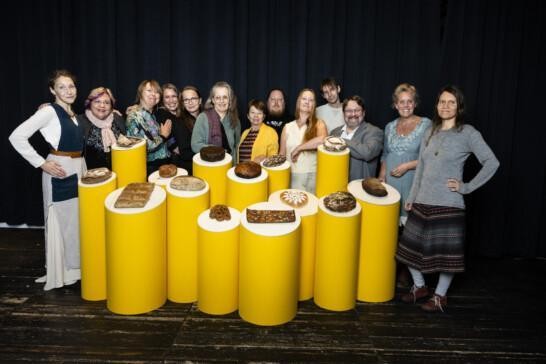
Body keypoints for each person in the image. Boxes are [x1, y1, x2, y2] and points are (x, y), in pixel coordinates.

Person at [396, 85, 499, 312]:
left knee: (447, 256)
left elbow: (492, 162)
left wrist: (466, 187)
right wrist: (412, 196)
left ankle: (440, 296)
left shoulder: (468, 133)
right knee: (407, 249)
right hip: (422, 200)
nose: (445, 106)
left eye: (451, 102)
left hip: (448, 203)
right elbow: (421, 166)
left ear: (459, 106)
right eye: (442, 102)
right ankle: (420, 287)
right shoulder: (430, 131)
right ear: (436, 105)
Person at [9, 69, 85, 290]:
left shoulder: (73, 114)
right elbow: (17, 136)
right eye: (62, 87)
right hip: (59, 171)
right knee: (60, 221)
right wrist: (41, 163)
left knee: (74, 223)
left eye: (71, 86)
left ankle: (74, 269)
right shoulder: (49, 112)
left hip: (76, 169)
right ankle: (60, 273)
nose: (68, 91)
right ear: (53, 90)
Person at [379, 83, 431, 224]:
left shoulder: (426, 125)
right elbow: (385, 155)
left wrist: (408, 166)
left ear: (415, 104)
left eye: (410, 101)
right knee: (388, 232)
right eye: (402, 102)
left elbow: (432, 157)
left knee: (411, 232)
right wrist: (382, 177)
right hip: (390, 187)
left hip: (412, 186)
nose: (406, 105)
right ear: (396, 105)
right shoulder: (389, 127)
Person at [279, 88, 328, 193]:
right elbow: (282, 155)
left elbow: (323, 140)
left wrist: (299, 148)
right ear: (298, 102)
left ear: (314, 104)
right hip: (290, 175)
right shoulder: (287, 127)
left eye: (311, 100)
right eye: (304, 99)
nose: (307, 102)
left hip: (311, 176)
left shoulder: (319, 123)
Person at [330, 95, 383, 181]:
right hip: (335, 184)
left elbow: (367, 152)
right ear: (343, 113)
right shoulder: (334, 132)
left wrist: (340, 141)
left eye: (357, 110)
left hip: (359, 189)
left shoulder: (375, 132)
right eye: (349, 111)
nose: (353, 114)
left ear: (363, 113)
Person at [126, 80, 172, 175]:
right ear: (140, 93)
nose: (153, 94)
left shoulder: (152, 115)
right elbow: (145, 147)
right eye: (149, 90)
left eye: (157, 92)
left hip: (162, 165)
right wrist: (163, 136)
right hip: (149, 167)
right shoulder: (134, 115)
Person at [191, 81, 241, 162]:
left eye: (225, 97)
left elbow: (237, 146)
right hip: (209, 166)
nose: (222, 101)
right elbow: (195, 145)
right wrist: (217, 151)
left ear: (230, 99)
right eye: (218, 98)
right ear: (213, 100)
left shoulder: (235, 119)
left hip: (230, 165)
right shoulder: (203, 118)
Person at [79, 87, 126, 169]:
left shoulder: (117, 118)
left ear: (111, 107)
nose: (102, 105)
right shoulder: (80, 122)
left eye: (107, 103)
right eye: (97, 101)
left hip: (120, 172)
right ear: (90, 103)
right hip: (92, 178)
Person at [155, 83, 197, 173]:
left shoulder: (181, 114)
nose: (171, 100)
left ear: (179, 97)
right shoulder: (162, 114)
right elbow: (168, 139)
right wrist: (175, 148)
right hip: (179, 162)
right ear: (162, 100)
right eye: (167, 97)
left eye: (174, 96)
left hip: (190, 157)